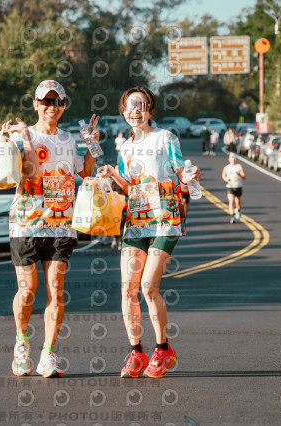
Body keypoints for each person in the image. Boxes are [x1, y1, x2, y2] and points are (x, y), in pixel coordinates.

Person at [98, 87, 201, 378]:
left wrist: (190, 176)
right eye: (130, 106)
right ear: (123, 112)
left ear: (151, 111)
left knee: (147, 286)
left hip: (165, 219)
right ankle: (136, 352)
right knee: (128, 289)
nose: (136, 111)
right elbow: (128, 186)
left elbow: (181, 172)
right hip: (136, 220)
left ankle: (163, 348)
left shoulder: (165, 138)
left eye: (141, 106)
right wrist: (112, 174)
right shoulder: (125, 147)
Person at [3, 80, 99, 377]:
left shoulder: (68, 139)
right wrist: (23, 139)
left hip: (61, 222)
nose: (52, 107)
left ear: (63, 106)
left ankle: (48, 353)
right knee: (27, 290)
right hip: (27, 222)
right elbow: (30, 172)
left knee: (56, 289)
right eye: (46, 101)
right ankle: (22, 342)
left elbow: (85, 171)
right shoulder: (23, 135)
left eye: (58, 102)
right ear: (36, 104)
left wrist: (92, 143)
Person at [221, 153, 246, 224]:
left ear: (236, 159)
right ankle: (232, 217)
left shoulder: (239, 167)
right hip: (230, 186)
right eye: (231, 158)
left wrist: (240, 175)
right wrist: (226, 179)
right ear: (229, 159)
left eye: (234, 158)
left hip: (238, 186)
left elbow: (244, 176)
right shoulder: (226, 167)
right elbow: (223, 175)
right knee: (231, 201)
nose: (233, 159)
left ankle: (238, 210)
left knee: (237, 202)